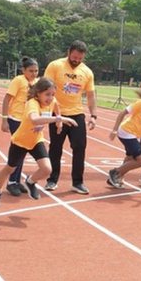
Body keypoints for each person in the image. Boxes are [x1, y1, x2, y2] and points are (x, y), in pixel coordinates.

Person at [0, 78, 77, 208]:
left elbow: (56, 107)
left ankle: (30, 182)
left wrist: (58, 122)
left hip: (36, 140)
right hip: (20, 141)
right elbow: (35, 119)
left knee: (47, 169)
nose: (50, 97)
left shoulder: (52, 101)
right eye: (47, 94)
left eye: (53, 94)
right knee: (10, 168)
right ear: (37, 93)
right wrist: (59, 119)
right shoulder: (32, 103)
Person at [44, 41, 97, 195]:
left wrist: (93, 115)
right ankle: (52, 179)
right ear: (69, 52)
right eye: (74, 57)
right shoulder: (55, 66)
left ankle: (78, 182)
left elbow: (91, 95)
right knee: (55, 147)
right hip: (57, 112)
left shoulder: (87, 72)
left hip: (76, 114)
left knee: (80, 147)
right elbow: (45, 88)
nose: (76, 60)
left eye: (80, 58)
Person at [0, 57, 39, 196]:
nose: (34, 73)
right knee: (18, 150)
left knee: (23, 151)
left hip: (28, 121)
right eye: (30, 71)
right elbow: (7, 99)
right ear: (23, 70)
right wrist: (4, 120)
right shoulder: (18, 80)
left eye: (36, 71)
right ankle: (11, 182)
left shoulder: (36, 83)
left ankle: (16, 180)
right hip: (16, 119)